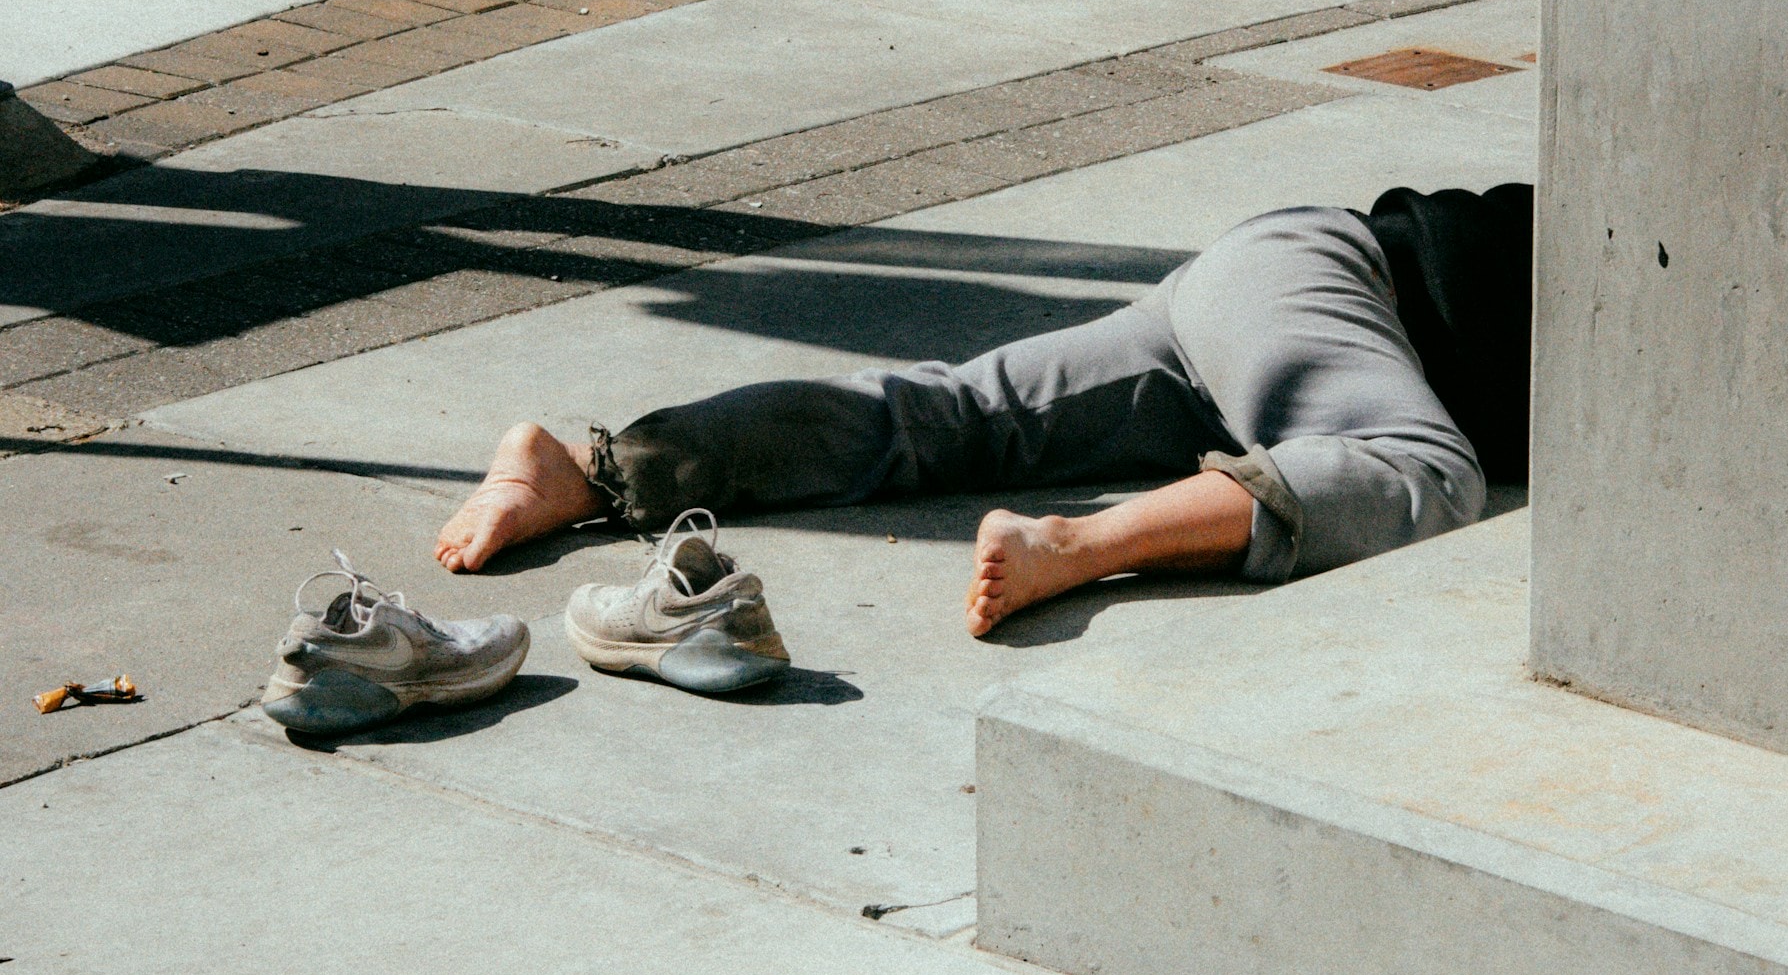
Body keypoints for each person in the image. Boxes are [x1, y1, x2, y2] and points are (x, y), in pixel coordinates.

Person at [434, 184, 1533, 637]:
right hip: (1337, 296)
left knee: (956, 413)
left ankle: (591, 469)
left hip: (1264, 278)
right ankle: (1081, 542)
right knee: (1421, 474)